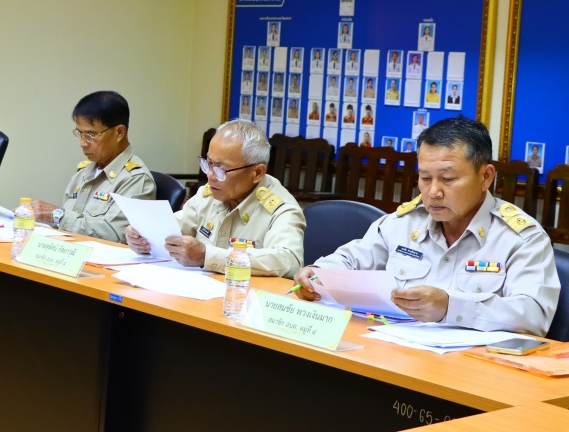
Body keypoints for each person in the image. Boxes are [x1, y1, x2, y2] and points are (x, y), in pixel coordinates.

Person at [292, 116, 560, 336]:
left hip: (472, 368)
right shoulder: (405, 222)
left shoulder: (521, 238)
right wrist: (316, 274)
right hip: (398, 355)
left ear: (486, 177)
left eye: (448, 179)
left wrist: (451, 307)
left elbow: (534, 315)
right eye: (425, 178)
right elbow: (351, 259)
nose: (433, 192)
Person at [126, 120, 305, 278]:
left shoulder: (282, 210)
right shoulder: (210, 194)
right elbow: (171, 228)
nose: (210, 175)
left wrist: (206, 256)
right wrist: (142, 235)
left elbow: (289, 261)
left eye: (221, 169)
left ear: (257, 173)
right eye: (208, 163)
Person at [30, 91, 156, 243]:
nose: (82, 143)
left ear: (119, 133)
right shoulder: (84, 171)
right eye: (80, 133)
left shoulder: (136, 179)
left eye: (90, 135)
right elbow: (67, 227)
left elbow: (117, 235)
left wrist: (57, 216)